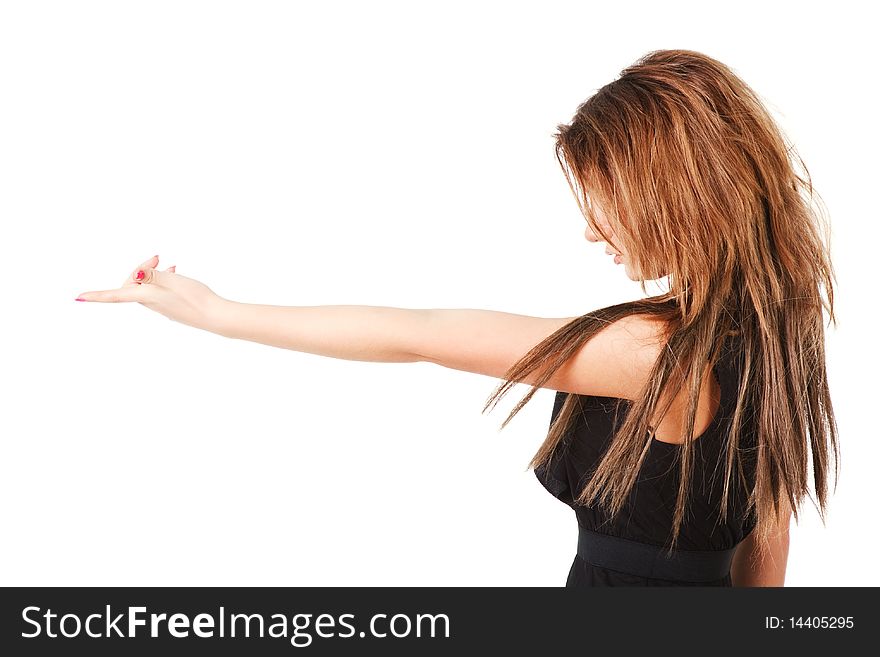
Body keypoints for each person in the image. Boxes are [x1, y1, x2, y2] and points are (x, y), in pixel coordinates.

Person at [74, 49, 839, 587]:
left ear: (673, 189)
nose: (592, 230)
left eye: (605, 198)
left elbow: (423, 332)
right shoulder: (779, 327)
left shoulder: (651, 351)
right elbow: (768, 532)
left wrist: (219, 312)